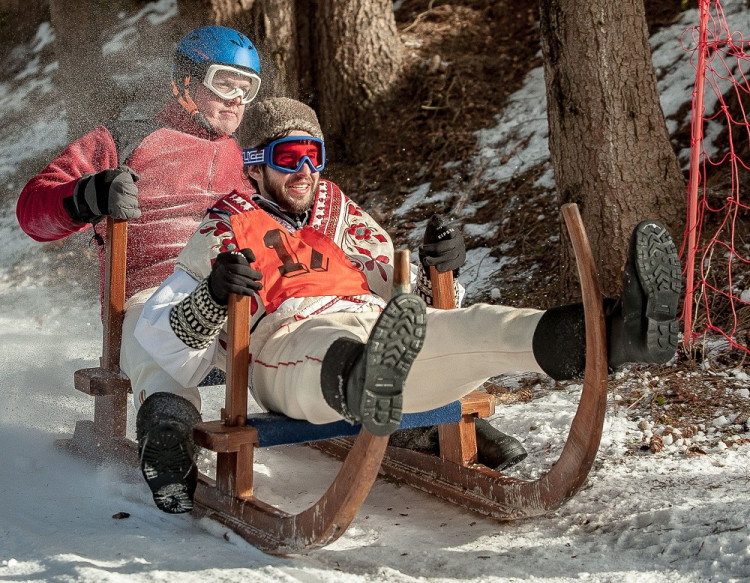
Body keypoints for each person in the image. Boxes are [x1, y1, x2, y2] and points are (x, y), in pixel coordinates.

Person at [134, 98, 681, 514]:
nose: (305, 171)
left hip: (374, 319)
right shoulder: (224, 226)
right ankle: (367, 378)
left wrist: (441, 267)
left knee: (475, 323)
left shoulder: (338, 213)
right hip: (287, 338)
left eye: (313, 156)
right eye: (288, 157)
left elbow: (403, 294)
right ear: (255, 165)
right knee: (333, 347)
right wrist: (211, 294)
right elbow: (162, 337)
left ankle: (615, 333)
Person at [16, 25, 262, 411]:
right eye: (224, 84)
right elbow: (32, 210)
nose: (236, 100)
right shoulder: (127, 139)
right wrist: (87, 195)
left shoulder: (247, 159)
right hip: (153, 297)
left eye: (247, 88)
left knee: (297, 326)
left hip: (236, 292)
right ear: (184, 83)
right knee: (158, 343)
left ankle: (350, 394)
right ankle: (169, 428)